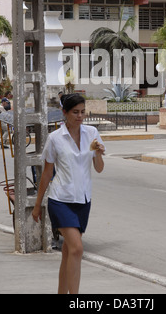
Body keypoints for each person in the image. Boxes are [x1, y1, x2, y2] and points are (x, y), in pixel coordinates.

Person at [32, 94, 105, 294]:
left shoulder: (92, 133)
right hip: (60, 200)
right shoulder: (55, 138)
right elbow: (47, 173)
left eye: (83, 112)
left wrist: (98, 153)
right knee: (77, 249)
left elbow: (98, 168)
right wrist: (38, 205)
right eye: (75, 112)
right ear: (64, 113)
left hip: (83, 200)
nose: (80, 116)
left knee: (68, 253)